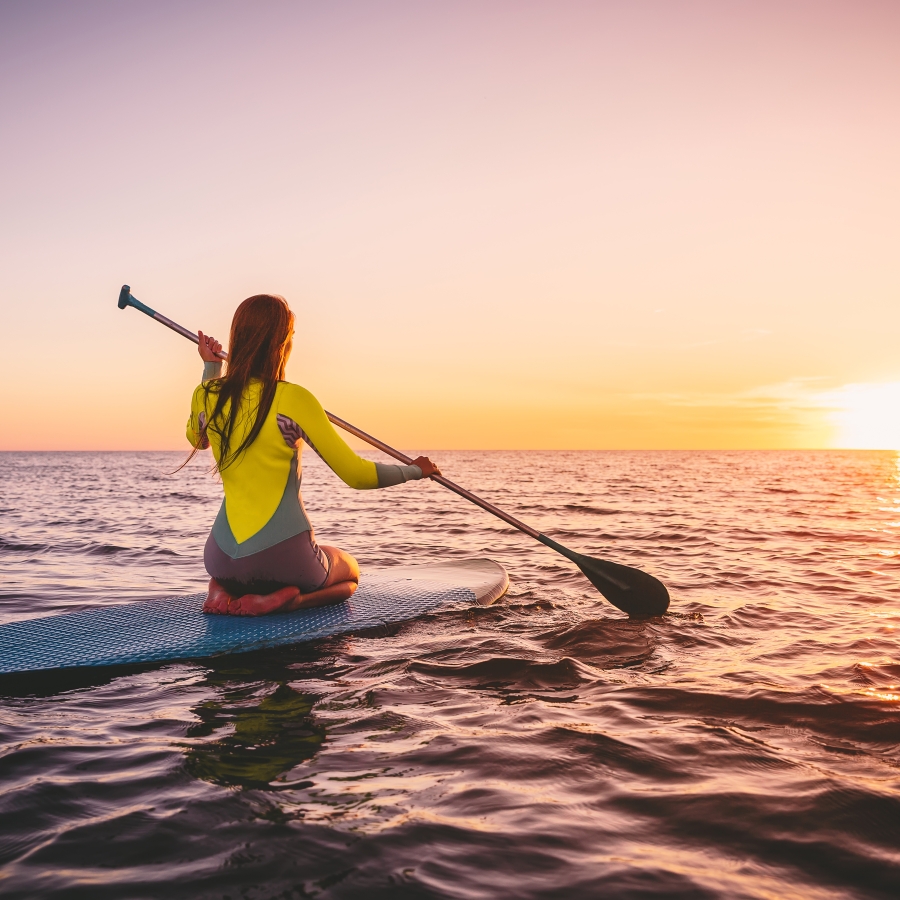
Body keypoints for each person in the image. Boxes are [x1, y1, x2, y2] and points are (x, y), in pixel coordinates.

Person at [186, 293, 440, 616]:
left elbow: (198, 438)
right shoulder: (294, 399)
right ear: (281, 344)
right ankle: (284, 600)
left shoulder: (207, 394)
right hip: (284, 560)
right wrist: (413, 470)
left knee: (241, 568)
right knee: (350, 573)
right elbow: (356, 475)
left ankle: (221, 587)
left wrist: (211, 369)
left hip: (219, 558)